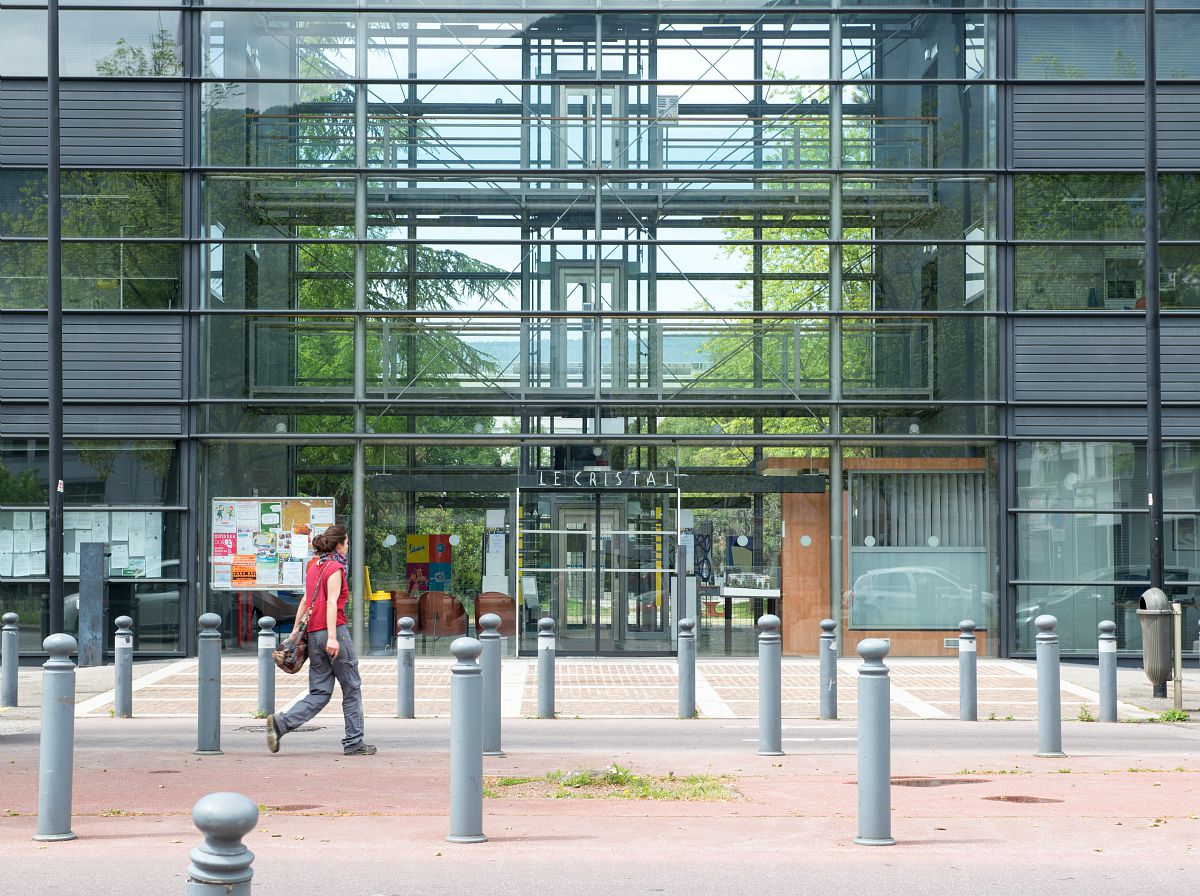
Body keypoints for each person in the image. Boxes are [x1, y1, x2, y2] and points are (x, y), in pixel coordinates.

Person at [267, 524, 376, 755]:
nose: (348, 547)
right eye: (346, 543)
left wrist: (296, 632)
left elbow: (306, 601)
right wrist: (334, 638)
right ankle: (354, 742)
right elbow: (331, 603)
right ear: (339, 545)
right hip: (332, 631)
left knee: (319, 691)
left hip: (314, 635)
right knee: (352, 687)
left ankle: (281, 723)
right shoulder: (335, 568)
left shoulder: (314, 566)